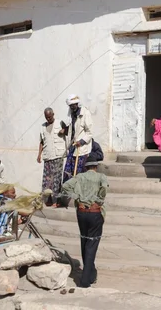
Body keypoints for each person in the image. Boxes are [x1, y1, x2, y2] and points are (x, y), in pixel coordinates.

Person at [61, 153, 109, 288]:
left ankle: (91, 273)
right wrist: (98, 201)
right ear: (96, 166)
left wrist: (77, 197)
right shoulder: (101, 177)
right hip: (95, 213)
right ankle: (85, 280)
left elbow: (65, 186)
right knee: (92, 245)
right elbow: (104, 188)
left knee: (85, 241)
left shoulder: (79, 177)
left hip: (81, 213)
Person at [61, 94, 93, 183]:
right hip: (72, 147)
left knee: (79, 174)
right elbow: (72, 131)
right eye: (70, 106)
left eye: (73, 105)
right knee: (67, 173)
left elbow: (89, 133)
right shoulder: (71, 114)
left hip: (81, 149)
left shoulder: (85, 113)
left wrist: (81, 141)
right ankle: (69, 194)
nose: (71, 107)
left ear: (77, 104)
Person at [37, 108, 66, 206]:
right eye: (46, 117)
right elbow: (41, 141)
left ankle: (56, 201)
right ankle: (48, 199)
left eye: (50, 116)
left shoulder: (60, 123)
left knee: (57, 179)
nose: (48, 118)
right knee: (47, 179)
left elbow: (69, 132)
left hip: (58, 155)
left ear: (53, 114)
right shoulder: (42, 126)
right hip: (48, 156)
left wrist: (64, 131)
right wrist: (39, 154)